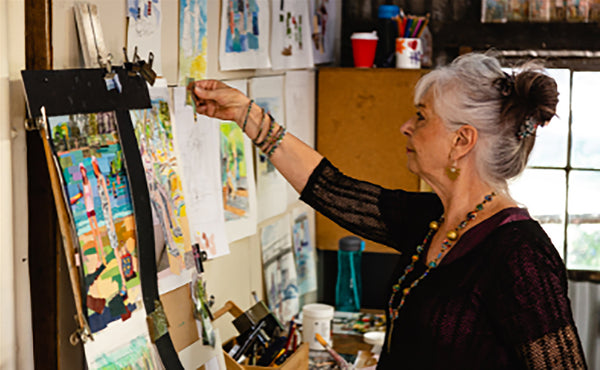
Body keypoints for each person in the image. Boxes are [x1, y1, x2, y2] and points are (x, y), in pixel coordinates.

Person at [189, 52, 587, 369]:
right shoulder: (434, 219)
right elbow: (330, 188)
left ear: (461, 141)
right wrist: (245, 113)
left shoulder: (520, 255)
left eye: (421, 116)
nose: (405, 127)